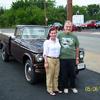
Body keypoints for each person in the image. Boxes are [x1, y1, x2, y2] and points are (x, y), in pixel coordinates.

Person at [58, 20, 79, 93]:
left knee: (72, 73)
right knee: (64, 74)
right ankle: (65, 87)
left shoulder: (74, 36)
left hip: (72, 58)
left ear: (71, 27)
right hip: (62, 58)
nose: (68, 28)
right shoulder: (59, 35)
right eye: (67, 26)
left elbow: (77, 47)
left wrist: (77, 58)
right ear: (64, 27)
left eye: (70, 27)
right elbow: (55, 44)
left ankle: (73, 87)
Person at [43, 27, 62, 96]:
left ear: (56, 33)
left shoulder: (57, 40)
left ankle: (55, 88)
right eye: (52, 33)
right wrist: (46, 62)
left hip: (57, 59)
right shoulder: (47, 42)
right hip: (50, 59)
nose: (53, 34)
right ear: (49, 34)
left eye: (55, 33)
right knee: (50, 75)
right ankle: (49, 89)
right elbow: (45, 53)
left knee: (56, 75)